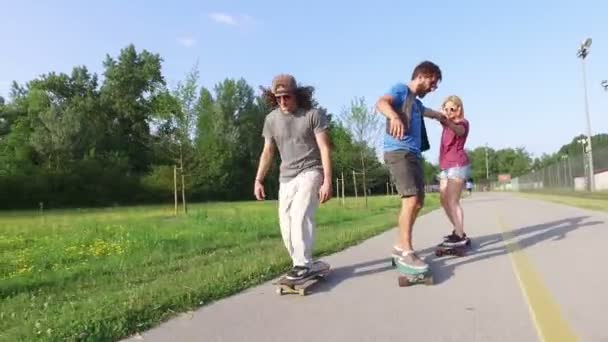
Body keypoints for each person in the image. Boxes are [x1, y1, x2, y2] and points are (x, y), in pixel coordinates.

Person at [253, 74, 332, 280]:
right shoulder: (271, 120)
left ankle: (302, 264)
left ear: (296, 95)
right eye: (278, 98)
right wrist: (258, 179)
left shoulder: (312, 115)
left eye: (286, 97)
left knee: (300, 214)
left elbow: (324, 148)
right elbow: (268, 151)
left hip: (311, 170)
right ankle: (304, 263)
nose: (282, 102)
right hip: (286, 177)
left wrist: (327, 181)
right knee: (285, 223)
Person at [375, 61, 446, 271]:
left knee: (418, 202)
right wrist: (394, 116)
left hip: (413, 154)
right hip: (398, 152)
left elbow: (430, 112)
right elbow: (381, 102)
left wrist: (444, 117)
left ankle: (399, 246)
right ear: (422, 75)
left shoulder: (416, 102)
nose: (433, 88)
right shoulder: (401, 90)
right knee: (411, 199)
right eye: (432, 83)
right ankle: (407, 252)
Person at [438, 95, 471, 247]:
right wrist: (440, 116)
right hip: (445, 166)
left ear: (459, 109)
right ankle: (459, 231)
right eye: (446, 109)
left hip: (457, 165)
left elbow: (459, 131)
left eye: (452, 109)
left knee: (452, 201)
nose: (449, 112)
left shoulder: (462, 123)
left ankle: (459, 235)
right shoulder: (445, 124)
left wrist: (447, 120)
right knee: (443, 200)